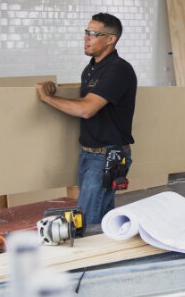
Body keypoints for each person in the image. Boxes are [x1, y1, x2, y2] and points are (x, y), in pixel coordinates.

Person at [36, 13, 137, 225]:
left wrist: (47, 97)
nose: (86, 37)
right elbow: (91, 96)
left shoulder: (118, 69)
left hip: (105, 157)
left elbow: (87, 109)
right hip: (90, 156)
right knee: (102, 219)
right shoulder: (92, 68)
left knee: (86, 222)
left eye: (93, 33)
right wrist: (56, 89)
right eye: (86, 32)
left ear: (110, 39)